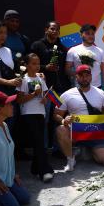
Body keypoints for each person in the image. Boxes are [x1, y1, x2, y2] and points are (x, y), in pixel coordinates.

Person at [54, 65, 104, 171]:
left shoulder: (101, 93)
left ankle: (89, 151)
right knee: (60, 129)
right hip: (75, 133)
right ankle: (70, 159)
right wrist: (63, 120)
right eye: (81, 75)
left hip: (96, 133)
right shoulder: (66, 94)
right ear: (76, 77)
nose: (84, 78)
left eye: (87, 75)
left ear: (91, 77)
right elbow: (56, 114)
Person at [31, 21, 71, 150]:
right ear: (46, 29)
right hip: (44, 91)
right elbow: (29, 65)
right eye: (52, 29)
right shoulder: (37, 45)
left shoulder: (62, 48)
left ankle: (57, 148)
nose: (55, 31)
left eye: (57, 30)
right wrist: (45, 67)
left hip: (59, 90)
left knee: (58, 118)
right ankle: (42, 149)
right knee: (45, 119)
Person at [16, 53, 54, 183]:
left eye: (38, 63)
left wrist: (45, 98)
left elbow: (44, 94)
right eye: (33, 63)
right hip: (28, 113)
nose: (37, 66)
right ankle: (45, 171)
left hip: (40, 112)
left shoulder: (40, 77)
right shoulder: (23, 79)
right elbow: (19, 99)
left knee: (39, 141)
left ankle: (35, 168)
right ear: (26, 65)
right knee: (38, 141)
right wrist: (33, 94)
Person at [65, 24, 104, 96]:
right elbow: (67, 70)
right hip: (78, 89)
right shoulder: (72, 50)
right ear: (81, 35)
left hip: (97, 88)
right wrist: (79, 75)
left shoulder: (100, 51)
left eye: (92, 34)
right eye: (87, 33)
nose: (91, 36)